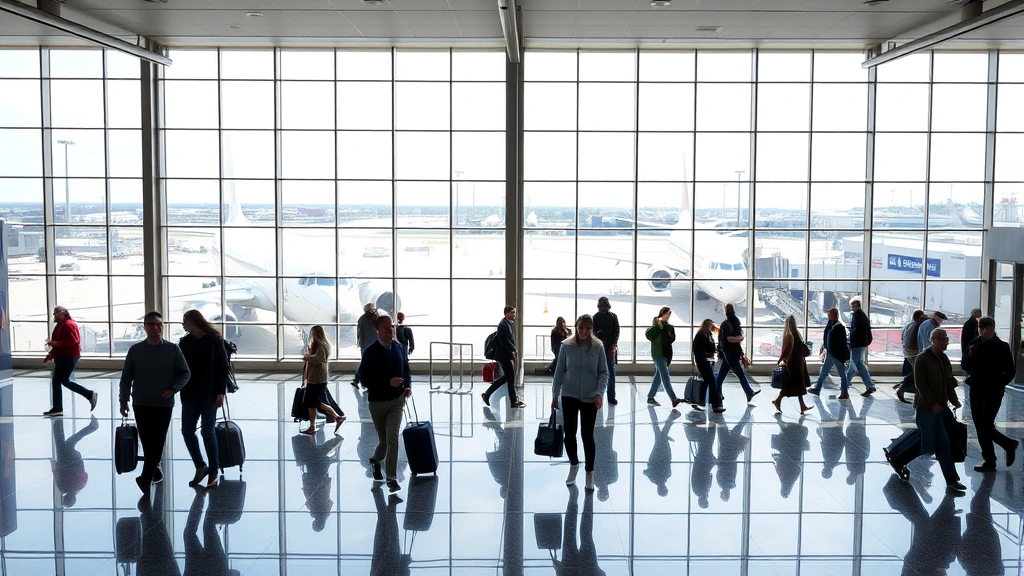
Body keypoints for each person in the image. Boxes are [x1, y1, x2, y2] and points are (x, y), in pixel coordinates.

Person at [118, 311, 191, 495]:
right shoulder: (135, 350)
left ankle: (145, 477)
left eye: (159, 324)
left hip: (163, 404)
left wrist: (173, 389)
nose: (156, 328)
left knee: (157, 442)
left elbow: (185, 373)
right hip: (141, 403)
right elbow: (126, 377)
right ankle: (151, 473)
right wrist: (123, 399)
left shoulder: (172, 349)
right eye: (151, 324)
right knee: (148, 442)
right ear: (145, 326)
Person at [551, 314, 608, 491]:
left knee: (587, 436)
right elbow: (559, 371)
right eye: (581, 327)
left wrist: (599, 393)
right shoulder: (567, 346)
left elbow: (604, 372)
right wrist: (555, 394)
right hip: (569, 394)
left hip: (590, 396)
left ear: (592, 328)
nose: (584, 331)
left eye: (588, 328)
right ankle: (574, 464)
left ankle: (589, 472)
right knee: (569, 434)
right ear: (576, 327)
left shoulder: (598, 347)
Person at [359, 313, 412, 494]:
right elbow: (364, 379)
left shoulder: (399, 347)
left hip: (397, 400)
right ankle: (375, 461)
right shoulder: (370, 352)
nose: (392, 330)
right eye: (388, 327)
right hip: (377, 402)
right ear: (378, 330)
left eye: (393, 327)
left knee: (393, 439)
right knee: (383, 441)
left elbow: (406, 369)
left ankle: (392, 478)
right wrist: (387, 382)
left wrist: (407, 387)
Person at [178, 309, 230, 489]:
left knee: (207, 431)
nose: (183, 324)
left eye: (184, 321)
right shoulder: (185, 342)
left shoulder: (214, 341)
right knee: (187, 430)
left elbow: (223, 368)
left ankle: (214, 469)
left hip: (209, 393)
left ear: (192, 321)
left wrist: (220, 392)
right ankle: (200, 465)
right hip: (189, 393)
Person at [960, 316, 1019, 472]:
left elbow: (1011, 371)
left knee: (986, 424)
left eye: (986, 327)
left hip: (993, 390)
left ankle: (1007, 446)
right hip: (976, 389)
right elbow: (964, 365)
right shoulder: (973, 344)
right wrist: (971, 354)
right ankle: (991, 459)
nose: (983, 330)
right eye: (980, 327)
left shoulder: (1002, 347)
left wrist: (1000, 384)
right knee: (980, 425)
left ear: (992, 328)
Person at [913, 328, 966, 494]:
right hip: (927, 410)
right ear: (933, 340)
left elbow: (948, 382)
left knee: (943, 443)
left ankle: (952, 481)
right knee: (928, 446)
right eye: (943, 339)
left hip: (941, 409)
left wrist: (955, 401)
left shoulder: (944, 359)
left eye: (947, 339)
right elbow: (920, 384)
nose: (946, 342)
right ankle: (906, 465)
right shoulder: (922, 359)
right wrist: (932, 402)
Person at [42, 306, 97, 417]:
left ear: (63, 314)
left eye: (57, 315)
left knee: (63, 380)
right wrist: (52, 354)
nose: (55, 317)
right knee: (59, 381)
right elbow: (60, 342)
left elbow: (73, 341)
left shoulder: (68, 325)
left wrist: (54, 344)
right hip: (63, 357)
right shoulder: (62, 325)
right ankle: (58, 408)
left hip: (68, 357)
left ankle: (89, 394)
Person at [301, 325, 345, 436]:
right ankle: (312, 425)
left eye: (313, 333)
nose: (312, 335)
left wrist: (307, 357)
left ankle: (336, 417)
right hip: (316, 378)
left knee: (315, 402)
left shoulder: (321, 345)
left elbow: (318, 358)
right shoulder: (322, 345)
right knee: (313, 403)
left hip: (316, 379)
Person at [482, 306, 525, 409]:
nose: (514, 315)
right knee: (509, 376)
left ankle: (513, 401)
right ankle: (487, 393)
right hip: (503, 355)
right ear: (506, 313)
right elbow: (504, 341)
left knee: (510, 377)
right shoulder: (503, 325)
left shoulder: (507, 323)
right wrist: (513, 350)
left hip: (505, 354)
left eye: (514, 313)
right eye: (512, 313)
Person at [715, 303, 758, 403]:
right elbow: (739, 336)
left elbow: (725, 339)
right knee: (739, 374)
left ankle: (718, 395)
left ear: (726, 311)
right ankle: (748, 392)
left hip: (728, 353)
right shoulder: (736, 321)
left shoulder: (725, 324)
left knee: (723, 376)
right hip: (734, 353)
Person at [51, 415, 97, 508]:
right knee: (61, 441)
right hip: (64, 461)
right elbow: (57, 474)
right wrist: (53, 464)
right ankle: (58, 422)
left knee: (69, 442)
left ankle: (91, 427)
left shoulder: (81, 486)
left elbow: (85, 474)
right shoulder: (63, 488)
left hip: (76, 460)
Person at [772, 315, 813, 414]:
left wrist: (781, 360)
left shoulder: (788, 334)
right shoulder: (795, 333)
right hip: (796, 363)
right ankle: (778, 400)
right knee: (795, 385)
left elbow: (785, 350)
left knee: (796, 385)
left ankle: (801, 406)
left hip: (794, 363)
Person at [809, 307, 852, 399]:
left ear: (834, 315)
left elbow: (840, 342)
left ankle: (844, 393)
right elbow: (827, 338)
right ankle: (817, 388)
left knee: (842, 374)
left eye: (830, 314)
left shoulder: (839, 327)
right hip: (830, 353)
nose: (828, 316)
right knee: (824, 371)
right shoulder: (831, 325)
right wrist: (824, 347)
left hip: (835, 355)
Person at [645, 306, 683, 408]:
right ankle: (673, 398)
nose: (668, 315)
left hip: (665, 354)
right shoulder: (657, 325)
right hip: (659, 354)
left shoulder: (669, 327)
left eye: (669, 314)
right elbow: (648, 334)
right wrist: (659, 324)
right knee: (665, 376)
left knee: (658, 376)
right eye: (666, 313)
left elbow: (671, 339)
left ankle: (650, 397)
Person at [845, 299, 876, 397]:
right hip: (862, 344)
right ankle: (870, 386)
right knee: (861, 366)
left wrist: (850, 339)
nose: (851, 308)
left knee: (852, 366)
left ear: (857, 306)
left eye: (852, 306)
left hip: (857, 345)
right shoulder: (862, 316)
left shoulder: (857, 316)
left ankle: (844, 387)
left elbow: (856, 331)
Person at [691, 319, 723, 413]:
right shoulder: (702, 335)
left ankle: (700, 402)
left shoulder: (708, 334)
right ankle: (716, 405)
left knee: (706, 383)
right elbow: (698, 350)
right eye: (711, 325)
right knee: (712, 382)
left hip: (708, 361)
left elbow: (711, 347)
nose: (712, 327)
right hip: (704, 362)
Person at [896, 309, 928, 403]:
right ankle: (902, 389)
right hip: (914, 353)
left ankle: (904, 389)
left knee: (915, 372)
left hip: (907, 352)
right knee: (917, 373)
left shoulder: (909, 325)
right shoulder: (918, 325)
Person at [593, 297, 620, 405]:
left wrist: (613, 344)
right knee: (598, 372)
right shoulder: (595, 317)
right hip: (599, 347)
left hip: (609, 347)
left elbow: (616, 331)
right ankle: (598, 395)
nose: (603, 306)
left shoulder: (613, 316)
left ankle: (611, 396)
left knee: (611, 372)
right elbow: (594, 332)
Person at [352, 303, 378, 388]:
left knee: (365, 362)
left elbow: (359, 332)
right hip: (373, 344)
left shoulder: (361, 318)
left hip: (364, 344)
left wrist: (358, 342)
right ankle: (364, 381)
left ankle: (359, 380)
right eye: (373, 308)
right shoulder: (374, 318)